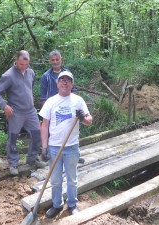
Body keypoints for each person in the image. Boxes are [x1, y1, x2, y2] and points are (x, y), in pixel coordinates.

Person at [39, 71, 93, 218]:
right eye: (62, 80)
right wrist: (44, 147)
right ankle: (57, 205)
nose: (64, 83)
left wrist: (83, 118)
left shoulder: (78, 100)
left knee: (72, 179)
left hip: (72, 147)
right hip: (54, 147)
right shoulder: (50, 101)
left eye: (68, 80)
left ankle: (72, 204)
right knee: (55, 180)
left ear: (72, 84)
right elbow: (44, 125)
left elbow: (89, 121)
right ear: (57, 84)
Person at [0, 50, 47, 176]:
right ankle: (13, 163)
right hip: (15, 112)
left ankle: (32, 159)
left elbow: (29, 87)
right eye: (21, 64)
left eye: (26, 65)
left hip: (30, 111)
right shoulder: (8, 75)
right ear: (16, 60)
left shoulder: (31, 72)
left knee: (37, 134)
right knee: (13, 137)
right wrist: (4, 105)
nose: (23, 67)